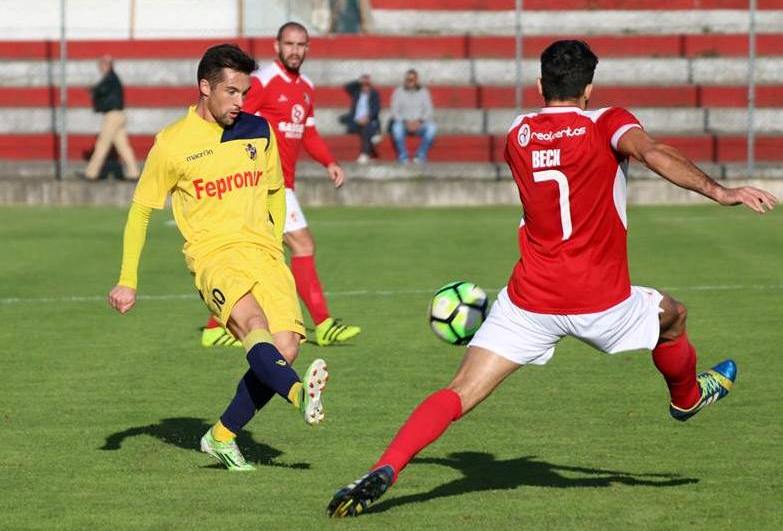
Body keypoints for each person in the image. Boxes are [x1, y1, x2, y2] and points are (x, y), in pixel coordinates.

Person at [326, 39, 778, 517]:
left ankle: (386, 467)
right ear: (590, 88)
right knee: (673, 315)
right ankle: (687, 398)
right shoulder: (607, 122)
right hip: (601, 302)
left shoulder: (517, 134)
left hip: (530, 302)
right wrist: (719, 191)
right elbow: (653, 152)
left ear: (539, 84)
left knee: (458, 392)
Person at [107, 43, 329, 471]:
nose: (239, 102)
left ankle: (222, 436)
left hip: (264, 253)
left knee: (285, 347)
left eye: (244, 92)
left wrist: (273, 240)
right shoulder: (172, 143)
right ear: (205, 87)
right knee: (254, 324)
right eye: (231, 92)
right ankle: (300, 395)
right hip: (214, 256)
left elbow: (275, 190)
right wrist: (127, 279)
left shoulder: (259, 130)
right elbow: (141, 211)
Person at [200, 22, 361, 348]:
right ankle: (323, 323)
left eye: (301, 44)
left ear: (308, 48)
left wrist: (329, 162)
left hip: (282, 184)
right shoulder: (262, 82)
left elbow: (308, 132)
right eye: (289, 44)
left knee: (255, 254)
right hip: (261, 184)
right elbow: (233, 120)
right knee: (302, 245)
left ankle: (215, 327)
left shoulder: (306, 87)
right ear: (277, 46)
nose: (295, 50)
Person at [82, 55, 140, 180]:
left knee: (102, 144)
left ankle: (91, 173)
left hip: (112, 115)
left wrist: (93, 90)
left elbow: (101, 90)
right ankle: (134, 172)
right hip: (119, 115)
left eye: (101, 65)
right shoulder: (113, 78)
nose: (100, 68)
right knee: (123, 146)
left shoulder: (110, 78)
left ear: (107, 65)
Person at [390, 68, 436, 164]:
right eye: (408, 79)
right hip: (404, 124)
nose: (410, 82)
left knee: (432, 127)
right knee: (396, 128)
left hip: (419, 124)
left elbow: (429, 110)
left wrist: (419, 121)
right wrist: (405, 122)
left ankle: (420, 155)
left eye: (412, 79)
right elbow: (394, 111)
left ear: (416, 80)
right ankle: (403, 156)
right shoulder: (398, 92)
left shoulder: (424, 92)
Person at [343, 74, 381, 163]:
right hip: (356, 121)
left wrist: (367, 117)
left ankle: (365, 153)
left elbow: (376, 109)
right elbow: (347, 87)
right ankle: (374, 135)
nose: (365, 87)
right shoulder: (356, 93)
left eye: (367, 85)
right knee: (367, 129)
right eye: (363, 85)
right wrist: (359, 81)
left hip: (368, 120)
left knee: (366, 128)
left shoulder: (374, 94)